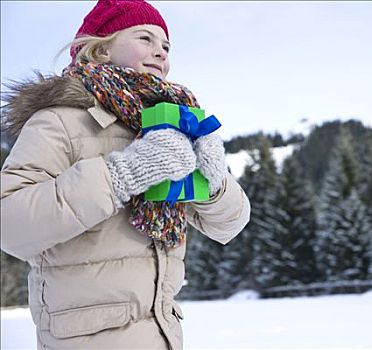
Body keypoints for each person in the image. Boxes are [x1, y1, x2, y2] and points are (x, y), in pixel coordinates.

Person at [0, 0, 250, 349]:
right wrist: (121, 175)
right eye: (144, 38)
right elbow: (10, 225)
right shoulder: (59, 120)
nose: (160, 52)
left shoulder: (173, 124)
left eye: (166, 45)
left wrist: (215, 181)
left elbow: (230, 225)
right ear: (100, 49)